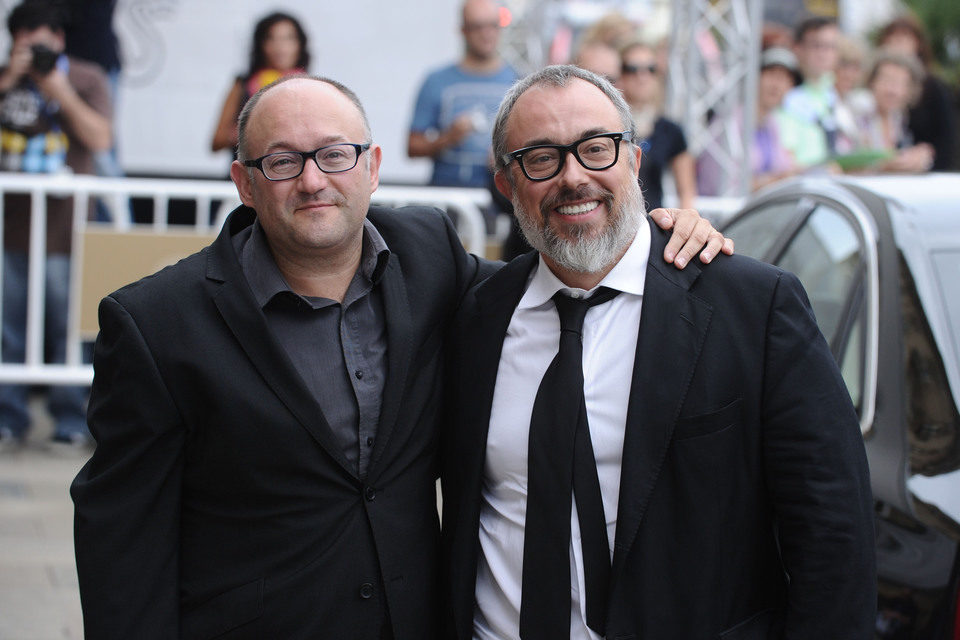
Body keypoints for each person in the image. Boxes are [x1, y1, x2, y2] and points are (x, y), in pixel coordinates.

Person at [70, 73, 730, 639]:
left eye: (334, 155)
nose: (312, 181)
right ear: (244, 181)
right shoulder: (156, 323)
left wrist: (652, 234)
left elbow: (553, 271)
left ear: (372, 166)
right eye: (281, 162)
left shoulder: (431, 258)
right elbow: (121, 544)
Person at [440, 65, 876, 639]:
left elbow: (833, 533)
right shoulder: (475, 315)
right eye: (542, 158)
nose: (574, 177)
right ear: (507, 184)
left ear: (634, 161)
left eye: (596, 149)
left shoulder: (752, 306)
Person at [0, 1, 112, 451]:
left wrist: (57, 87)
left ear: (60, 40)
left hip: (68, 230)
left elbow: (101, 139)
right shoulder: (5, 75)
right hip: (10, 227)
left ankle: (71, 419)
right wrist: (10, 78)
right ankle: (8, 417)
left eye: (44, 37)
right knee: (6, 328)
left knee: (70, 330)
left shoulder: (86, 77)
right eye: (25, 37)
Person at [407, 0, 517, 188]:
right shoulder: (436, 81)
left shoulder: (518, 80)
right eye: (477, 27)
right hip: (448, 195)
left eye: (493, 25)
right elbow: (412, 147)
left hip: (501, 199)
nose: (486, 34)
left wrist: (505, 155)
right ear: (463, 31)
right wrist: (449, 138)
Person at [210, 11, 309, 154]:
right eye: (271, 39)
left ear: (300, 45)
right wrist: (256, 128)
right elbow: (217, 141)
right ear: (261, 45)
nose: (280, 47)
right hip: (248, 172)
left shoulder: (311, 87)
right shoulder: (243, 84)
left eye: (288, 38)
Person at [617, 39, 696, 210]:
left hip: (652, 222)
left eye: (650, 69)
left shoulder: (670, 130)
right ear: (620, 74)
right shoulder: (607, 125)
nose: (642, 77)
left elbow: (687, 193)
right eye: (632, 69)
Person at [877, 14, 957, 171]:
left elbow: (947, 138)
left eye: (904, 39)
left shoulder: (933, 87)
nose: (897, 45)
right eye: (892, 39)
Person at [852, 50, 933, 174]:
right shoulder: (856, 110)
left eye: (900, 84)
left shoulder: (898, 118)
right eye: (887, 80)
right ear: (872, 82)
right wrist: (883, 166)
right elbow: (848, 162)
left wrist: (919, 157)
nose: (893, 91)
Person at [781, 16, 841, 168]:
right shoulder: (783, 93)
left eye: (830, 46)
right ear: (797, 48)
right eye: (816, 46)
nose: (824, 54)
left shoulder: (834, 93)